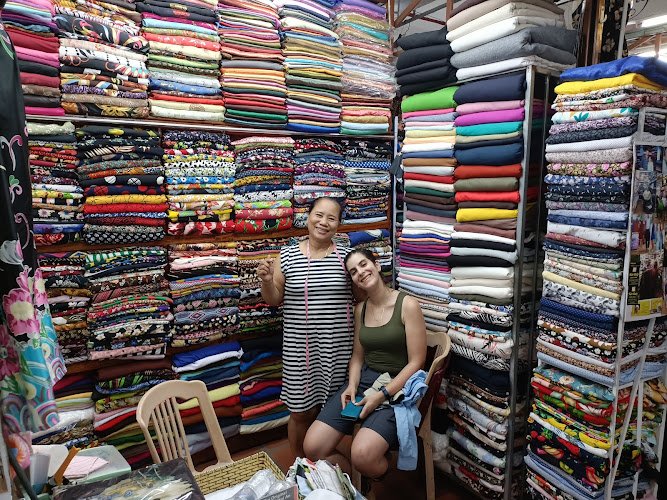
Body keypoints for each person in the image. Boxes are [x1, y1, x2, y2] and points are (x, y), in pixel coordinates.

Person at [303, 249, 427, 479]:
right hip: (364, 383)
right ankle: (351, 481)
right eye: (353, 271)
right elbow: (358, 357)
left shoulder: (407, 304)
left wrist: (381, 395)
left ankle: (380, 470)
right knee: (313, 447)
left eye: (363, 264)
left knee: (363, 455)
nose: (360, 272)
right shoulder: (360, 309)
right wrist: (351, 386)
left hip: (397, 390)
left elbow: (417, 361)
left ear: (377, 265)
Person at [257, 197, 353, 458]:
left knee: (337, 409)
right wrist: (267, 281)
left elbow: (361, 296)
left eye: (331, 218)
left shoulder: (347, 256)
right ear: (308, 217)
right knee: (301, 411)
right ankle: (299, 466)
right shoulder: (287, 255)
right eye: (318, 215)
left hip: (338, 348)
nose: (323, 222)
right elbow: (274, 299)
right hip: (300, 349)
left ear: (338, 224)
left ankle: (329, 464)